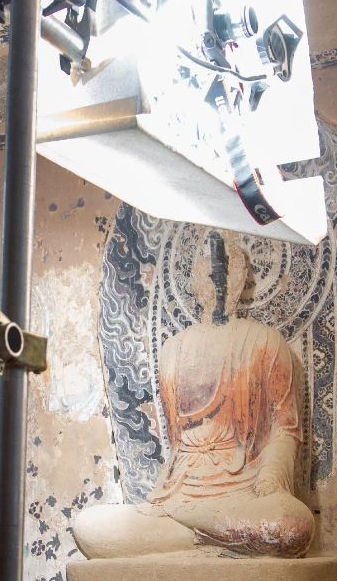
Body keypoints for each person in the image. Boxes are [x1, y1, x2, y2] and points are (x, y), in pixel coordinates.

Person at [71, 230, 315, 560]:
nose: (217, 278)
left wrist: (269, 483)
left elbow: (284, 431)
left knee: (291, 526)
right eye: (208, 269)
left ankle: (191, 532)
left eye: (227, 268)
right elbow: (177, 445)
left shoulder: (265, 342)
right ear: (194, 279)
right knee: (89, 526)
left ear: (241, 277)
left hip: (244, 493)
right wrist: (165, 500)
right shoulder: (173, 350)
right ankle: (213, 534)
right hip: (182, 493)